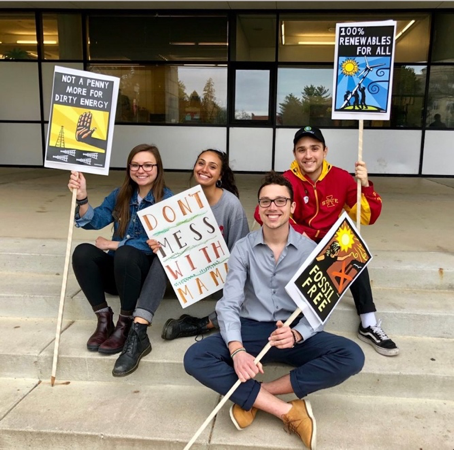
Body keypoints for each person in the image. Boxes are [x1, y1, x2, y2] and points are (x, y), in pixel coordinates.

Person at [184, 172, 364, 450]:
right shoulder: (243, 248)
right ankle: (288, 411)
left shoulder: (310, 250)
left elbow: (320, 307)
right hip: (252, 330)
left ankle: (259, 396)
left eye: (281, 200)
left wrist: (299, 334)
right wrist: (237, 350)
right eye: (266, 201)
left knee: (352, 356)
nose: (273, 207)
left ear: (293, 206)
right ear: (259, 208)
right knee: (196, 357)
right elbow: (229, 304)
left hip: (292, 333)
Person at [254, 126, 399, 357]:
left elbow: (368, 216)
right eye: (301, 150)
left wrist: (366, 185)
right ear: (294, 154)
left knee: (353, 247)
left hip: (331, 248)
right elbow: (261, 213)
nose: (308, 155)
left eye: (314, 148)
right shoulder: (285, 180)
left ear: (325, 151)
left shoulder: (341, 178)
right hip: (297, 245)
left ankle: (368, 323)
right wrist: (301, 233)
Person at [69, 144, 173, 362]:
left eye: (147, 165)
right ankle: (104, 319)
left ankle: (125, 323)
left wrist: (115, 244)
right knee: (82, 252)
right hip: (118, 273)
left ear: (158, 168)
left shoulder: (167, 200)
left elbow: (159, 243)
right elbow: (95, 221)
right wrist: (82, 197)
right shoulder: (121, 195)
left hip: (142, 277)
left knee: (126, 253)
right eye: (135, 165)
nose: (141, 170)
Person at [159, 149, 250, 341]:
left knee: (251, 297)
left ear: (220, 175)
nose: (204, 169)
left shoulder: (231, 206)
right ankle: (140, 320)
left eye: (212, 166)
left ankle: (202, 324)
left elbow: (241, 255)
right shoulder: (184, 203)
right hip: (194, 277)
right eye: (201, 163)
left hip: (224, 279)